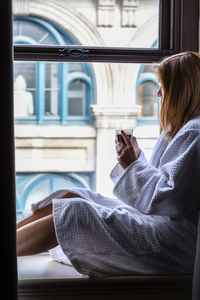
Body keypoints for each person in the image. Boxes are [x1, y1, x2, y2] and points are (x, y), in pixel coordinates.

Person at [17, 51, 200, 277]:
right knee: (71, 196)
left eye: (164, 87)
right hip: (155, 221)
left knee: (74, 213)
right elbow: (161, 184)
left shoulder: (195, 133)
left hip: (172, 244)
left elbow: (170, 200)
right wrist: (135, 160)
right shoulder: (178, 129)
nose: (159, 93)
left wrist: (133, 165)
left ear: (182, 91)